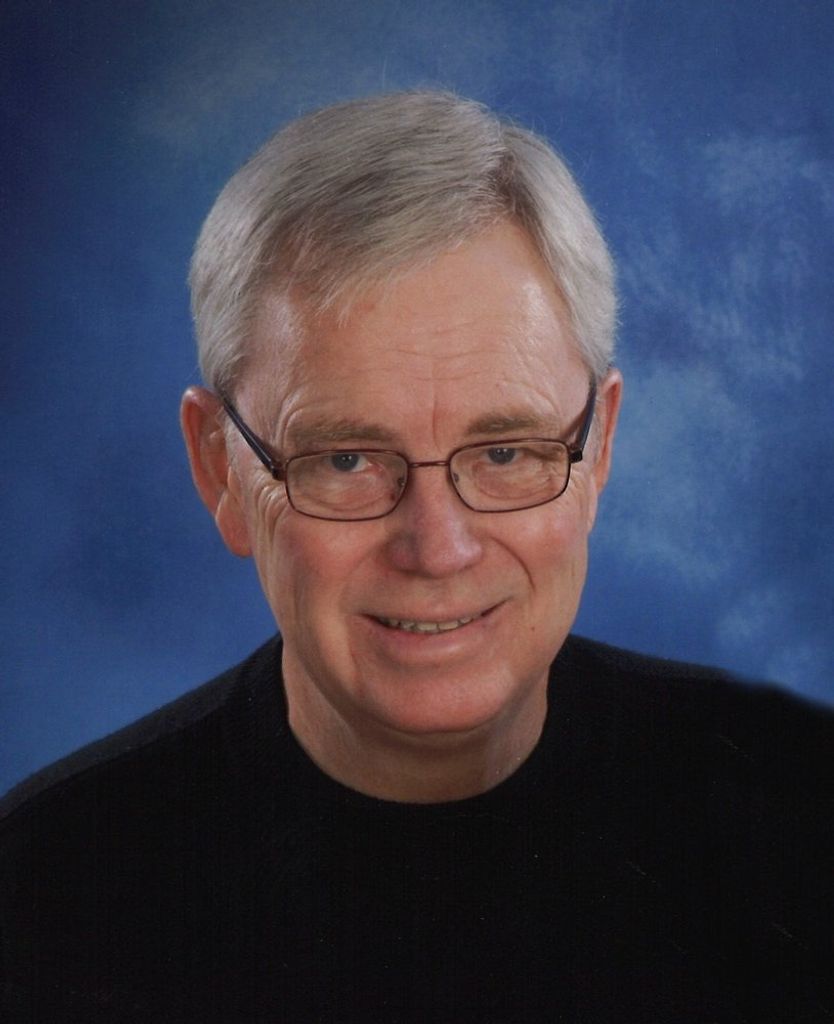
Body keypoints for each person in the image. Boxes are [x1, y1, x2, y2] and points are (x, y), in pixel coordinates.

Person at [1, 91, 831, 1023]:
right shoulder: (40, 896)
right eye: (346, 460)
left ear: (598, 449)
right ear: (221, 471)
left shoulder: (805, 824)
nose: (438, 547)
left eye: (505, 452)